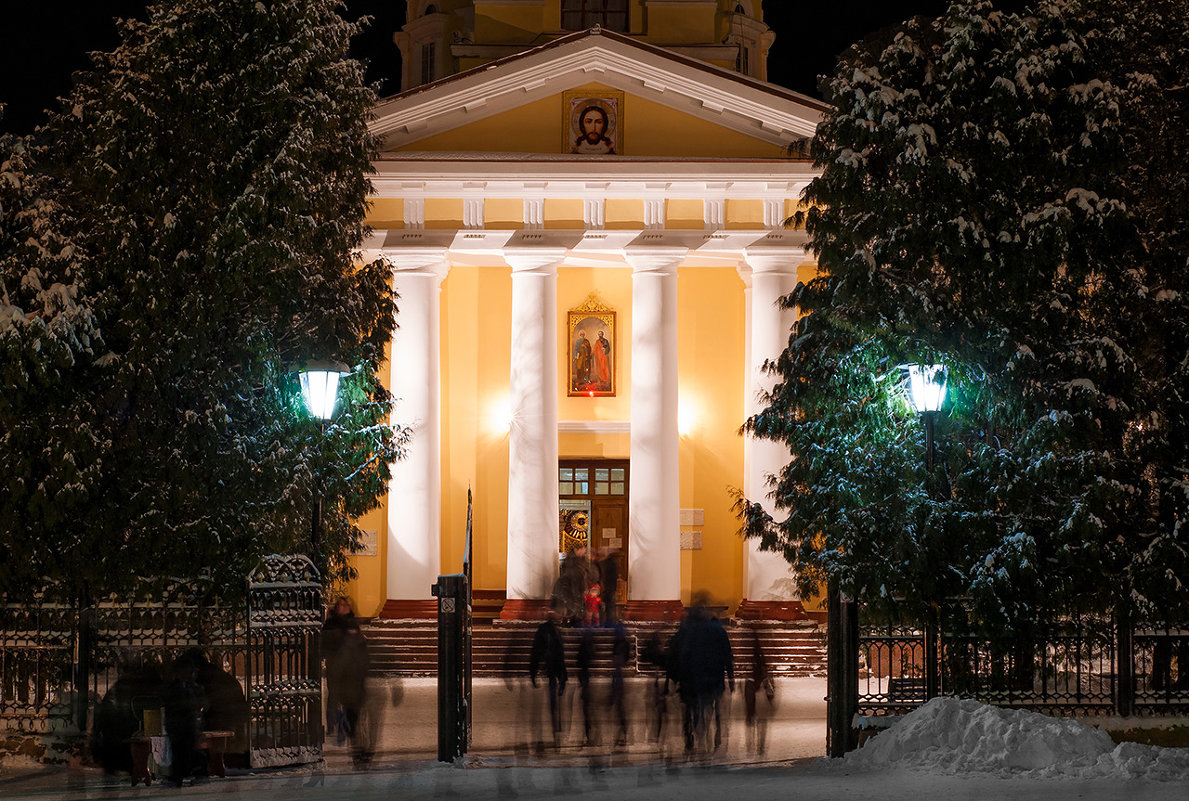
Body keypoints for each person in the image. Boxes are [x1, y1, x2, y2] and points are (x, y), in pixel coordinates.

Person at [669, 597, 734, 755]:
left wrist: (676, 676)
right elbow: (727, 655)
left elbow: (684, 654)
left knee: (698, 708)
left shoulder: (692, 632)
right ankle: (715, 734)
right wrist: (730, 677)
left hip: (697, 678)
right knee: (713, 707)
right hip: (715, 677)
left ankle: (697, 737)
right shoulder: (717, 631)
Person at [162, 654, 206, 787]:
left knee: (190, 751)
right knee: (179, 751)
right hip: (178, 725)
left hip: (189, 724)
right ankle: (179, 776)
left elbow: (202, 703)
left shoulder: (195, 688)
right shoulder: (174, 688)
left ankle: (195, 774)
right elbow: (167, 703)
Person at [529, 606, 568, 749]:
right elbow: (560, 655)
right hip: (554, 669)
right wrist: (563, 676)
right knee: (553, 704)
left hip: (551, 669)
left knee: (550, 704)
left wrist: (533, 672)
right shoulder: (554, 632)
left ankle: (550, 734)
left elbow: (536, 652)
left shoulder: (547, 631)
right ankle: (555, 733)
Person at [321, 596, 355, 736]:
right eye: (342, 605)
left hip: (349, 666)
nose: (345, 607)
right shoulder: (331, 623)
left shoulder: (352, 623)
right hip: (334, 665)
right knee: (334, 696)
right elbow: (325, 642)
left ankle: (348, 724)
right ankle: (331, 724)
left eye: (347, 605)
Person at [598, 547, 619, 624]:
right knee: (610, 606)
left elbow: (604, 576)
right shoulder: (612, 563)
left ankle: (607, 622)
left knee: (607, 606)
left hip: (606, 588)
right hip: (611, 588)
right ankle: (610, 622)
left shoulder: (606, 563)